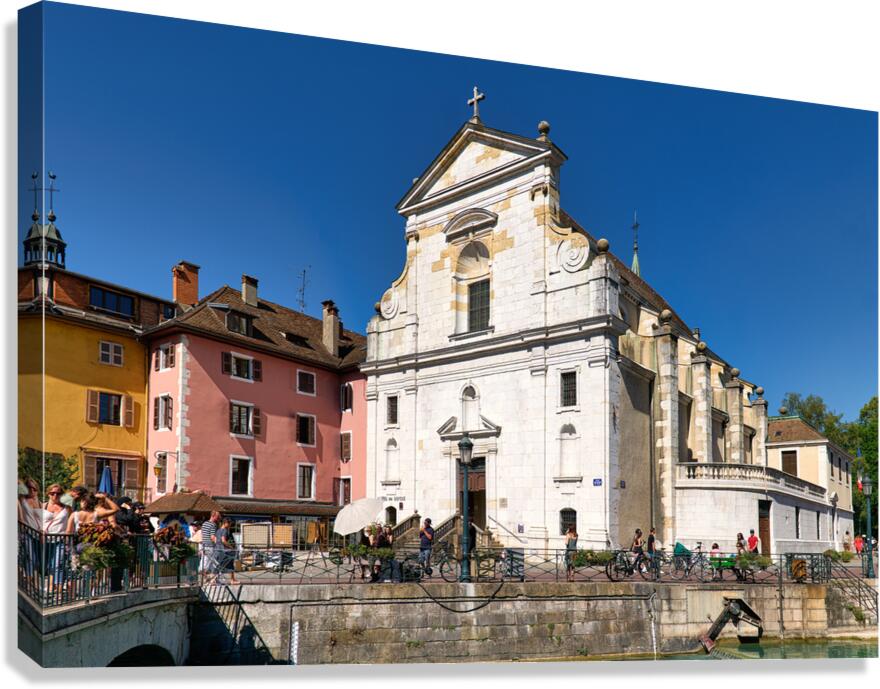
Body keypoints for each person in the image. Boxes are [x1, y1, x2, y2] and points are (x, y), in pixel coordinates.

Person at [200, 511, 221, 583]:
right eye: (218, 517)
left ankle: (208, 579)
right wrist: (218, 543)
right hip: (210, 546)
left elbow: (202, 535)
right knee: (214, 564)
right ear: (214, 516)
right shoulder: (213, 524)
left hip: (204, 546)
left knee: (206, 563)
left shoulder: (204, 524)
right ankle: (212, 580)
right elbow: (212, 537)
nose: (218, 518)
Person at [215, 517, 237, 585]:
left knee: (220, 566)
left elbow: (216, 540)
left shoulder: (218, 530)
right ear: (226, 523)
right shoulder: (224, 530)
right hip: (225, 551)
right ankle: (232, 580)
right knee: (230, 565)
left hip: (218, 550)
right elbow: (223, 540)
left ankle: (214, 579)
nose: (230, 525)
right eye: (229, 523)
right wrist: (231, 547)